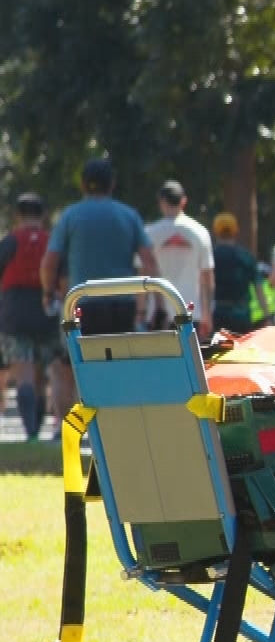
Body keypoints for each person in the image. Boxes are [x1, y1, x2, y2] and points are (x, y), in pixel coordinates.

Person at [43, 159, 160, 335]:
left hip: (83, 303)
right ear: (112, 184)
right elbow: (149, 260)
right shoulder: (129, 215)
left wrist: (48, 293)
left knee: (87, 360)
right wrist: (159, 304)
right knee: (121, 359)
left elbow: (50, 262)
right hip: (123, 304)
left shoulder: (70, 216)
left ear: (82, 184)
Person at [0, 194, 60, 440]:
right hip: (45, 311)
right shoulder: (51, 242)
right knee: (41, 376)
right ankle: (38, 427)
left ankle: (31, 431)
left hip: (14, 311)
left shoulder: (10, 241)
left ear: (18, 216)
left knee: (22, 372)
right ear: (43, 215)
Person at [145, 180, 215, 338]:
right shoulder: (200, 232)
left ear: (161, 202)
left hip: (158, 314)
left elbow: (143, 273)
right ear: (183, 201)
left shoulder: (150, 233)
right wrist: (207, 313)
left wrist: (140, 312)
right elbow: (207, 278)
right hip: (191, 312)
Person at [208, 212, 269, 335]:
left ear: (215, 231)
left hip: (218, 313)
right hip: (241, 314)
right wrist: (267, 315)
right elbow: (258, 288)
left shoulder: (211, 257)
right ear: (236, 231)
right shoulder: (246, 256)